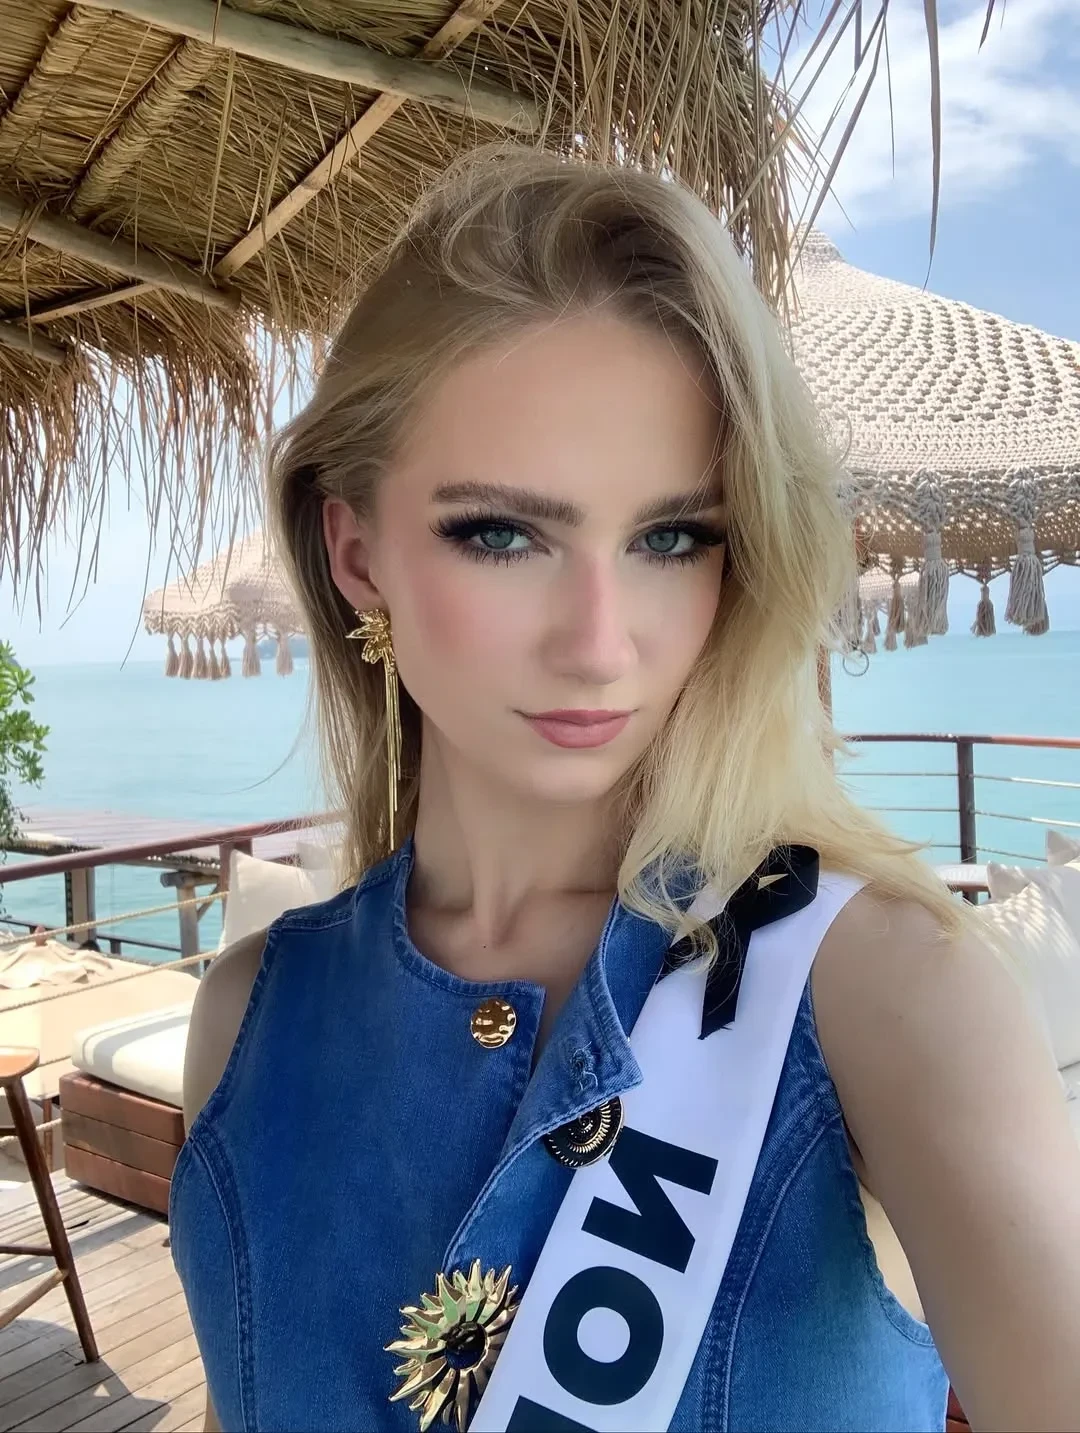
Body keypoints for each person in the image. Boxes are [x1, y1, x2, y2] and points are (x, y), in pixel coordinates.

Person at [170, 148, 1080, 1433]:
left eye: (672, 537)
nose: (601, 642)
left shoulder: (879, 985)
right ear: (357, 550)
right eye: (502, 533)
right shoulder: (249, 1014)